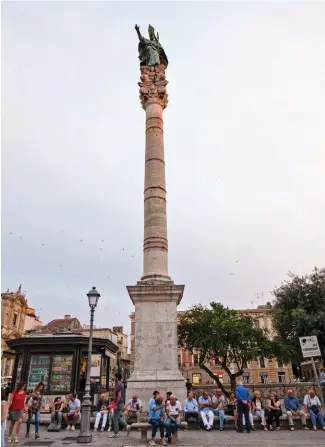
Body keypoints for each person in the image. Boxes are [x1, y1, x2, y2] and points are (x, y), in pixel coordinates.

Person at [109, 373, 130, 438]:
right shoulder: (120, 384)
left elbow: (119, 396)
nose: (114, 378)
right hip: (119, 403)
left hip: (118, 403)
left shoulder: (119, 385)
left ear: (117, 378)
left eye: (114, 377)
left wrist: (115, 405)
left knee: (115, 419)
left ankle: (116, 433)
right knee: (117, 417)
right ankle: (127, 426)